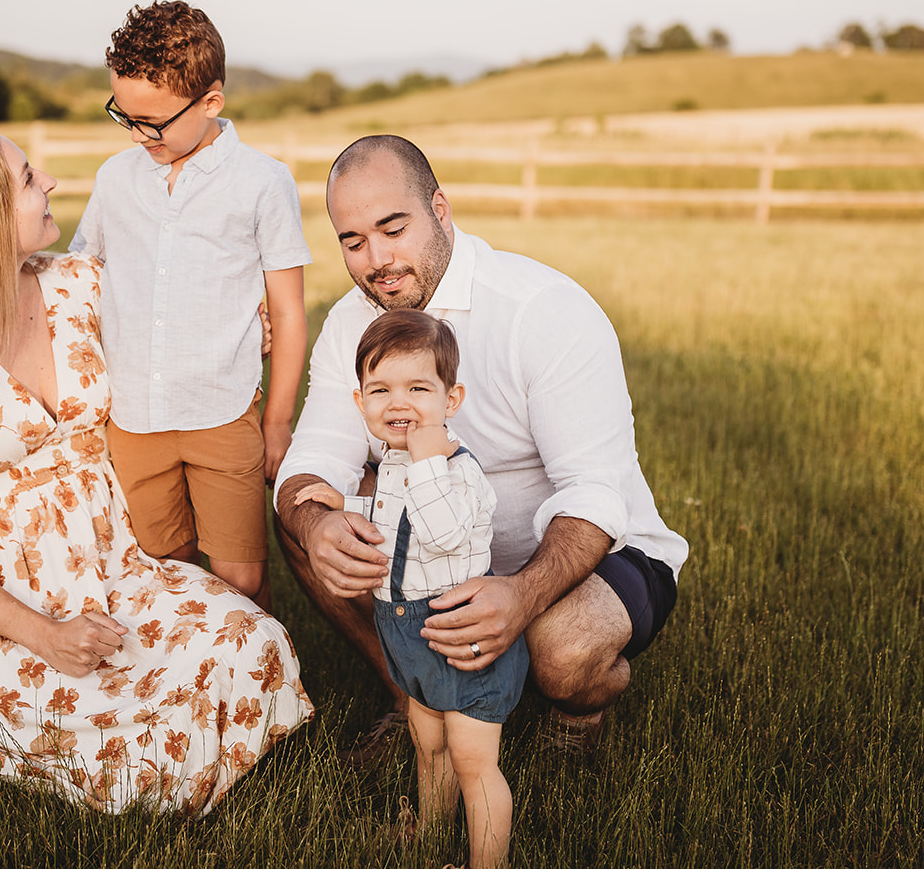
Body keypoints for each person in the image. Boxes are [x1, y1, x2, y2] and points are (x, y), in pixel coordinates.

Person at [0, 120, 311, 814]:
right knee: (139, 765)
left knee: (258, 644)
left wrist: (251, 324)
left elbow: (178, 321)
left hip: (120, 565)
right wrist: (47, 637)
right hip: (13, 605)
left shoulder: (77, 286)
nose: (51, 184)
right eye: (29, 179)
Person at [274, 135, 686, 754]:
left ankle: (575, 719)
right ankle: (412, 694)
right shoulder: (349, 324)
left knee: (563, 653)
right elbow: (312, 460)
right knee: (304, 514)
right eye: (352, 242)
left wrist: (522, 595)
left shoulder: (542, 309)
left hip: (585, 554)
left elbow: (597, 495)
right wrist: (314, 527)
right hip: (439, 551)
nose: (375, 260)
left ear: (440, 210)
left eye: (393, 229)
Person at [70, 0, 310, 610]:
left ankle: (254, 688)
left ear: (210, 102)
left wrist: (277, 422)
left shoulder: (262, 182)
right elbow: (80, 277)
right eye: (124, 118)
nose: (137, 135)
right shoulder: (115, 179)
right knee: (159, 571)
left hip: (223, 411)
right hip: (131, 416)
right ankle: (181, 697)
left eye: (153, 123)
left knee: (241, 580)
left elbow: (286, 313)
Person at [292, 309, 517, 869]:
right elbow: (397, 521)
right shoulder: (396, 464)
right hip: (406, 631)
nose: (400, 403)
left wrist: (426, 459)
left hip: (458, 634)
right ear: (361, 401)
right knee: (429, 745)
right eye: (381, 390)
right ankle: (431, 832)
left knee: (472, 760)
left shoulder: (456, 472)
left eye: (419, 389)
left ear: (452, 397)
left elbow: (441, 530)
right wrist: (341, 500)